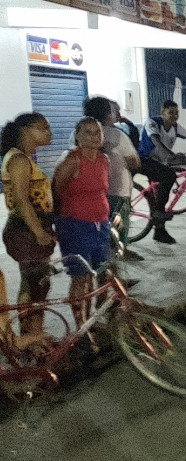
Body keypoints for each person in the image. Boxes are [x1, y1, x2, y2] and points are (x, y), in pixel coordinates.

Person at [1, 113, 56, 348]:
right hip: (26, 233)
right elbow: (22, 200)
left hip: (28, 231)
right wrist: (39, 232)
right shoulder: (19, 160)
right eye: (43, 128)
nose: (49, 132)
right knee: (37, 285)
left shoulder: (23, 157)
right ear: (25, 131)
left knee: (33, 284)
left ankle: (32, 335)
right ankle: (32, 337)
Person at [53, 117, 111, 328]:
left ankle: (94, 318)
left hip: (101, 224)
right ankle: (81, 326)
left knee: (102, 271)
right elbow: (56, 192)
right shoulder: (72, 160)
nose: (94, 137)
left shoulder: (104, 159)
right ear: (77, 135)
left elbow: (101, 191)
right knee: (80, 277)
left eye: (97, 132)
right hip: (75, 225)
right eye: (88, 132)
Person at [139, 100, 186, 244]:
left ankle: (159, 228)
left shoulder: (175, 127)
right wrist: (171, 156)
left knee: (163, 191)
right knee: (168, 177)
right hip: (145, 160)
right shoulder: (152, 123)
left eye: (176, 113)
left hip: (160, 162)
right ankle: (158, 217)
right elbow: (156, 142)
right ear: (163, 113)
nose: (174, 115)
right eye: (171, 112)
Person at [84, 97, 143, 262]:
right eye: (113, 110)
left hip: (92, 191)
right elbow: (134, 162)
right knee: (118, 228)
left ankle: (102, 260)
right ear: (107, 114)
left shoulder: (78, 133)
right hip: (117, 190)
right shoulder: (117, 135)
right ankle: (116, 261)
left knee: (98, 228)